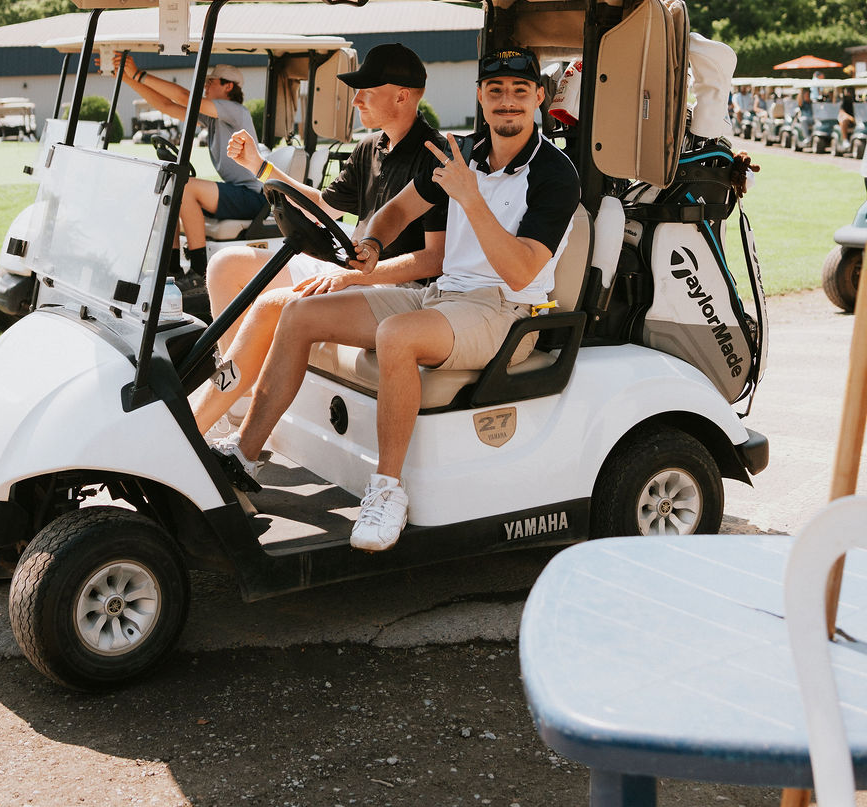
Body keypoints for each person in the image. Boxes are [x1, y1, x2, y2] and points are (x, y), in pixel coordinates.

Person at [216, 46, 580, 553]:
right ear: (480, 96)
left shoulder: (555, 174)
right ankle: (243, 456)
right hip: (443, 296)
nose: (507, 102)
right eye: (495, 90)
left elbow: (520, 269)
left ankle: (387, 489)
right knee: (299, 313)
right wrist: (371, 245)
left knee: (396, 336)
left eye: (520, 91)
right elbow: (396, 211)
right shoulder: (460, 154)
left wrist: (470, 197)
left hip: (507, 310)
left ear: (539, 97)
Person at [190, 43, 446, 437]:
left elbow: (433, 260)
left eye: (367, 92)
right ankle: (237, 400)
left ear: (402, 96)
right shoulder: (370, 147)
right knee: (226, 265)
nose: (356, 101)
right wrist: (259, 166)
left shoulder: (435, 157)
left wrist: (353, 276)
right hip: (349, 266)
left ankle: (207, 422)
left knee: (274, 305)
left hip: (392, 284)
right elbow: (323, 207)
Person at [114, 55, 261, 280]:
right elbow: (167, 106)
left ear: (228, 86)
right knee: (172, 188)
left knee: (186, 186)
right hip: (237, 193)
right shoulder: (214, 119)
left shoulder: (235, 111)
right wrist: (126, 79)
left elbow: (184, 97)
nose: (206, 86)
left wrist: (138, 74)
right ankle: (172, 267)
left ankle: (200, 272)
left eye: (211, 82)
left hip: (252, 197)